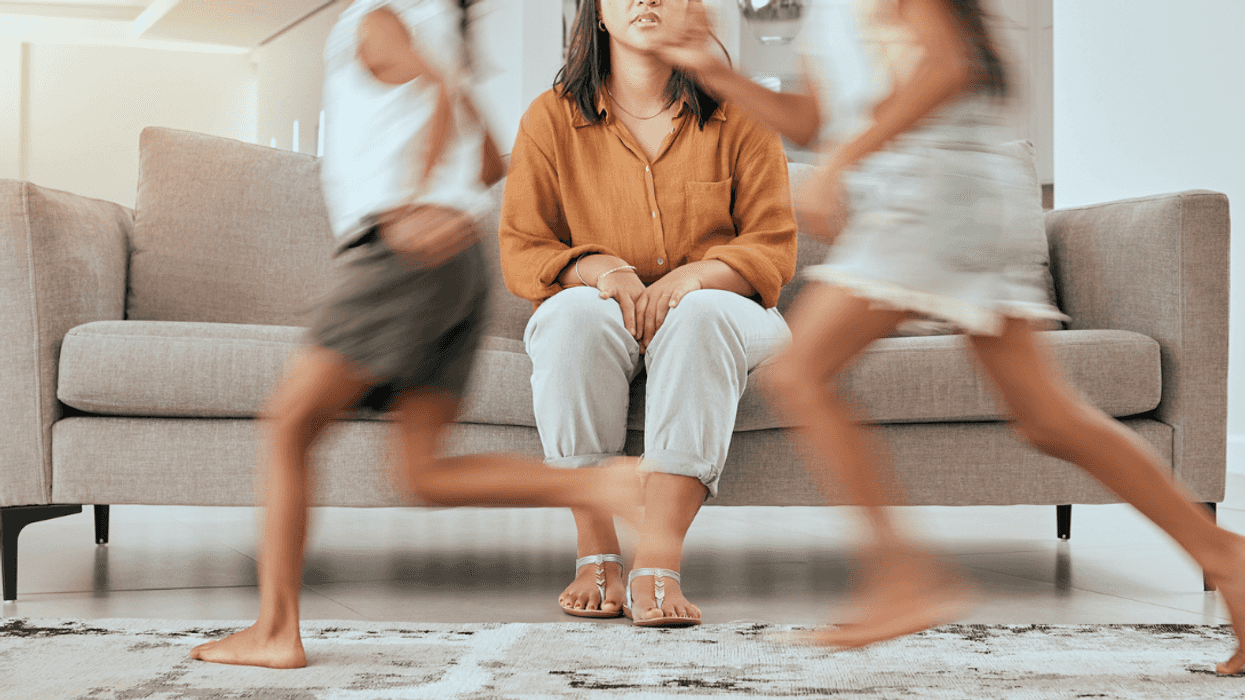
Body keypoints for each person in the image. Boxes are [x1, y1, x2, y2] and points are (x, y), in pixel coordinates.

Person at [653, 0, 1245, 673]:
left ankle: (904, 577)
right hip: (937, 200)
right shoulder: (827, 13)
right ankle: (1226, 558)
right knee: (1047, 417)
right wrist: (714, 72)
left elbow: (949, 66)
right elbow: (816, 121)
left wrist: (845, 162)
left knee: (799, 374)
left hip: (934, 198)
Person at [189, 0, 642, 669]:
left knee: (288, 426)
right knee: (421, 473)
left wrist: (412, 201)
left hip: (400, 257)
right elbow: (486, 160)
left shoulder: (376, 17)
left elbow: (436, 92)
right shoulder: (434, 28)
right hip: (458, 267)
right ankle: (602, 486)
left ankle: (275, 630)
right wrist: (443, 193)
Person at [498, 0, 797, 627]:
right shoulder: (549, 119)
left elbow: (772, 246)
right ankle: (596, 551)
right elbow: (524, 249)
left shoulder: (740, 114)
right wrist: (600, 267)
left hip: (725, 312)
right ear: (598, 13)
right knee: (571, 318)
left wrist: (695, 276)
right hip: (606, 308)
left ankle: (658, 559)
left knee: (699, 314)